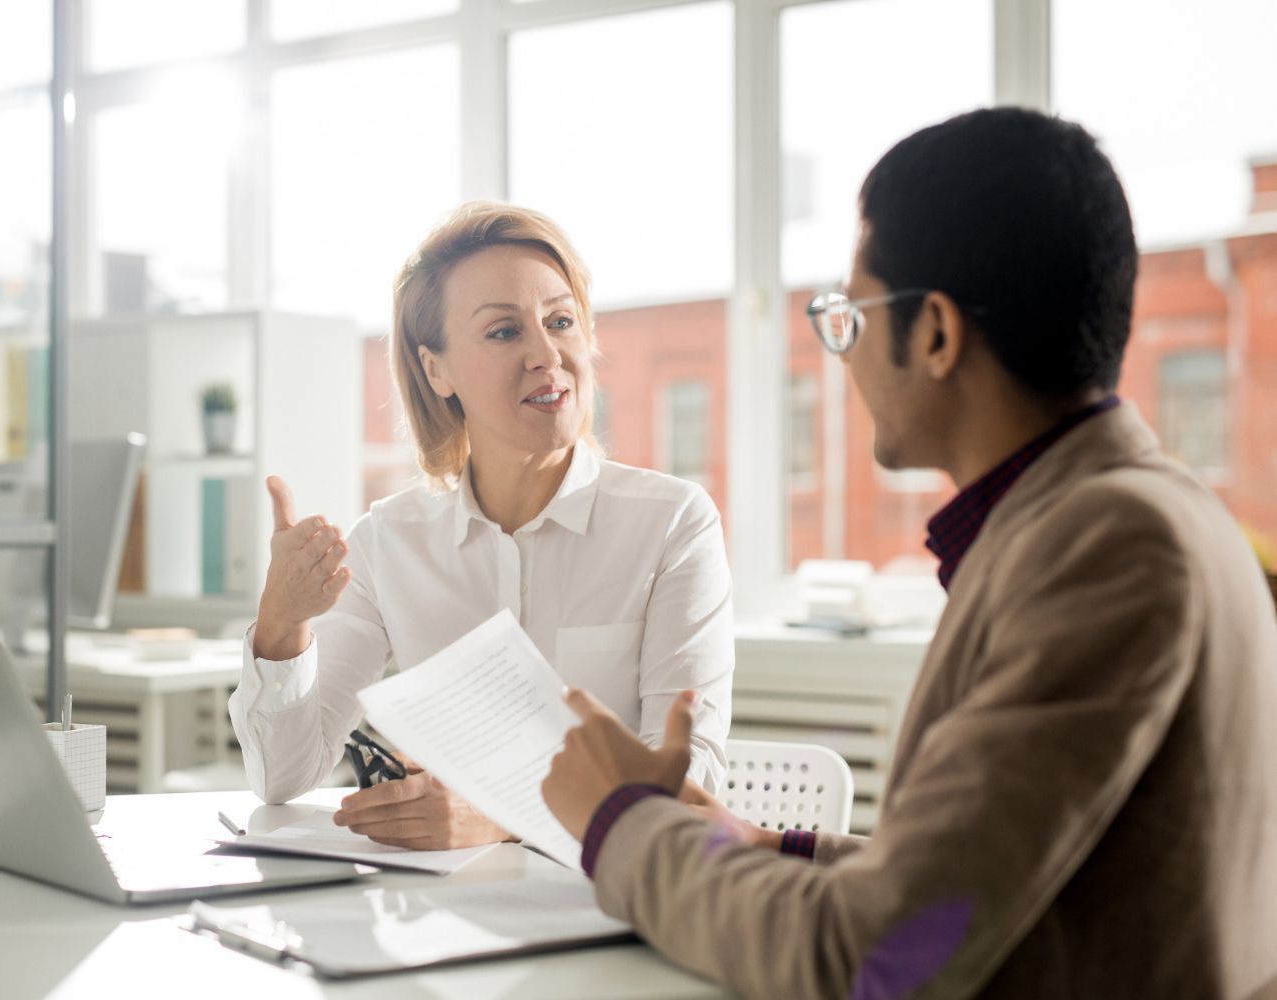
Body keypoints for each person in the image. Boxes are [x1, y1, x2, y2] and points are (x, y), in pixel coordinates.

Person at [541, 107, 1277, 998]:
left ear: (934, 332)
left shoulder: (1111, 545)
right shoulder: (1119, 512)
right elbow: (1006, 879)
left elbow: (875, 960)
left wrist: (620, 825)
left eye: (850, 315)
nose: (842, 356)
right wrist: (765, 846)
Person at [229, 201, 734, 850]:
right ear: (435, 369)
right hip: (437, 922)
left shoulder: (672, 523)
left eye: (561, 321)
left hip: (605, 911)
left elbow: (689, 784)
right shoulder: (389, 542)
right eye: (503, 332)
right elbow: (283, 776)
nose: (546, 354)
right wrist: (282, 625)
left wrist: (501, 823)